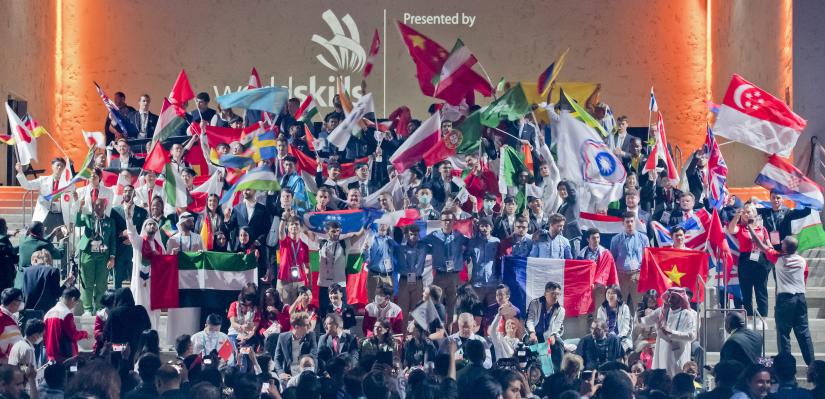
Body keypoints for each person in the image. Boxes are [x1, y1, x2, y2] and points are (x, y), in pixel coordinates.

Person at [749, 226, 815, 366]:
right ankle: (813, 365)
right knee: (804, 333)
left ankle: (786, 366)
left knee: (783, 334)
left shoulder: (778, 259)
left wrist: (750, 227)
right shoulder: (803, 262)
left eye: (783, 242)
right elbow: (804, 279)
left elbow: (761, 245)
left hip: (785, 300)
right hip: (801, 299)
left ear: (784, 247)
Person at [727, 202, 771, 328]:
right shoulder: (740, 228)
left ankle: (763, 319)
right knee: (746, 291)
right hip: (745, 260)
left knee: (761, 290)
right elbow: (731, 229)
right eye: (745, 212)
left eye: (749, 212)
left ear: (754, 213)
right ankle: (750, 318)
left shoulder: (762, 229)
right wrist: (737, 216)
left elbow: (768, 245)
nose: (746, 214)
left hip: (760, 260)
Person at [165, 212, 203, 347]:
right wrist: (172, 255)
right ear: (181, 222)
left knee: (192, 313)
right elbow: (166, 262)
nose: (191, 222)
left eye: (192, 221)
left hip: (193, 282)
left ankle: (191, 344)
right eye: (188, 220)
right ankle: (174, 342)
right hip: (177, 282)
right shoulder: (173, 240)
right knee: (177, 313)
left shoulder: (198, 238)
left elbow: (203, 259)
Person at [639, 287, 696, 376]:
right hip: (662, 351)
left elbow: (692, 336)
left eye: (673, 297)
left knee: (677, 378)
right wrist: (638, 316)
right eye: (669, 296)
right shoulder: (661, 311)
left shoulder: (688, 314)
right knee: (663, 377)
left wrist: (672, 333)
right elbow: (645, 322)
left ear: (681, 299)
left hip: (679, 353)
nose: (669, 299)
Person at [75, 197, 117, 315]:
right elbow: (78, 223)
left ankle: (99, 307)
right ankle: (87, 308)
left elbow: (113, 240)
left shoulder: (110, 221)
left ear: (105, 207)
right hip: (88, 253)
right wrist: (79, 208)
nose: (98, 207)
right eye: (96, 205)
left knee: (101, 283)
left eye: (101, 205)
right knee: (87, 282)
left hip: (103, 255)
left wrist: (112, 257)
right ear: (93, 207)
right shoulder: (88, 218)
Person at [423, 213, 469, 317]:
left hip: (454, 276)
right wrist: (432, 251)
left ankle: (449, 329)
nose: (447, 222)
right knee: (436, 303)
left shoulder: (459, 235)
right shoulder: (434, 235)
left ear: (453, 221)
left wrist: (462, 259)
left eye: (449, 220)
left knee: (452, 305)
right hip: (440, 275)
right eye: (444, 220)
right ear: (441, 222)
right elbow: (421, 243)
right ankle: (437, 329)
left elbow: (470, 246)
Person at [124, 207, 163, 329]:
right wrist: (129, 217)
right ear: (144, 228)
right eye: (149, 224)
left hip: (154, 283)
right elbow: (131, 232)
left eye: (153, 224)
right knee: (140, 307)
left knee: (154, 311)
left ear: (156, 228)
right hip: (141, 281)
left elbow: (165, 264)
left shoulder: (160, 246)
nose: (151, 226)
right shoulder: (139, 242)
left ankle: (153, 336)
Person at [609, 211, 649, 307]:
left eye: (632, 221)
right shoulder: (615, 239)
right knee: (620, 304)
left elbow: (647, 258)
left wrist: (643, 276)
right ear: (623, 223)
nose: (630, 224)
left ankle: (636, 322)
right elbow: (612, 259)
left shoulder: (643, 238)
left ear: (635, 222)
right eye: (627, 222)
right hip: (621, 275)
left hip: (637, 275)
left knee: (638, 304)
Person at [15, 158, 70, 227]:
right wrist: (20, 172)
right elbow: (27, 185)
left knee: (63, 237)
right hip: (46, 214)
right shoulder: (43, 180)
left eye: (62, 166)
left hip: (61, 215)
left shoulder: (67, 183)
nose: (59, 167)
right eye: (58, 165)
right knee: (45, 237)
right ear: (52, 166)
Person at [103, 288, 151, 365]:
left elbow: (105, 335)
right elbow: (148, 328)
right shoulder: (141, 310)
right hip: (138, 351)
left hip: (118, 351)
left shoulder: (114, 313)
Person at [43, 287, 88, 362]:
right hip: (66, 357)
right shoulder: (66, 314)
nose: (75, 305)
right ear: (73, 299)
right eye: (76, 302)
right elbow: (73, 335)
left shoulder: (48, 313)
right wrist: (85, 334)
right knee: (71, 373)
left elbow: (44, 336)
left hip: (50, 356)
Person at [526, 281, 565, 369]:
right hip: (534, 335)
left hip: (549, 336)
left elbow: (558, 326)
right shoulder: (535, 303)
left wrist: (553, 335)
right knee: (530, 343)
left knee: (558, 343)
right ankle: (533, 372)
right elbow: (529, 320)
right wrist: (532, 332)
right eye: (553, 293)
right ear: (545, 293)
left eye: (558, 294)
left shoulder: (561, 310)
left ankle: (559, 372)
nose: (555, 297)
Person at [396, 224, 427, 323]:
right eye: (411, 234)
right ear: (406, 235)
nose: (413, 236)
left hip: (417, 281)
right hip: (404, 281)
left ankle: (417, 337)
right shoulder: (399, 248)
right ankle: (403, 336)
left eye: (416, 234)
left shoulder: (424, 247)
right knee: (403, 311)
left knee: (418, 311)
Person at [274, 312, 318, 380]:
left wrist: (311, 373)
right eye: (306, 325)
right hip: (288, 375)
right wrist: (281, 373)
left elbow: (314, 356)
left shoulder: (311, 335)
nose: (309, 327)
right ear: (297, 327)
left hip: (306, 373)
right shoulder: (282, 337)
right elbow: (277, 358)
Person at [22, 249, 68, 313]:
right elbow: (57, 293)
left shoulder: (26, 271)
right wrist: (67, 283)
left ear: (35, 260)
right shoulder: (53, 271)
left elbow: (24, 291)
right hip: (46, 311)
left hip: (28, 310)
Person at [364, 222, 398, 301]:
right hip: (374, 275)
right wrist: (365, 250)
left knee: (389, 304)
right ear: (377, 225)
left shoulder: (391, 240)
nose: (383, 226)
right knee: (372, 303)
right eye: (381, 224)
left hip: (388, 276)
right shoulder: (371, 238)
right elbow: (366, 259)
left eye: (385, 224)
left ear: (388, 226)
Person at [596, 285, 632, 352]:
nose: (610, 295)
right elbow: (599, 328)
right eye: (608, 292)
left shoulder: (624, 308)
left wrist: (618, 338)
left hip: (622, 339)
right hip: (606, 339)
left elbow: (627, 328)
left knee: (618, 349)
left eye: (613, 293)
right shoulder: (601, 309)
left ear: (618, 295)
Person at [227, 283, 261, 351]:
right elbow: (233, 323)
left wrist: (245, 339)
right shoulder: (234, 305)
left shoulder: (256, 309)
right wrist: (241, 327)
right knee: (234, 349)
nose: (248, 302)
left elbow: (254, 329)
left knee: (245, 352)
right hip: (234, 333)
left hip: (248, 336)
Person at [0, 289, 23, 363]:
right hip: (5, 366)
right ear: (13, 302)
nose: (21, 303)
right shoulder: (1, 318)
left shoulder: (11, 317)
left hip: (14, 363)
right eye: (20, 300)